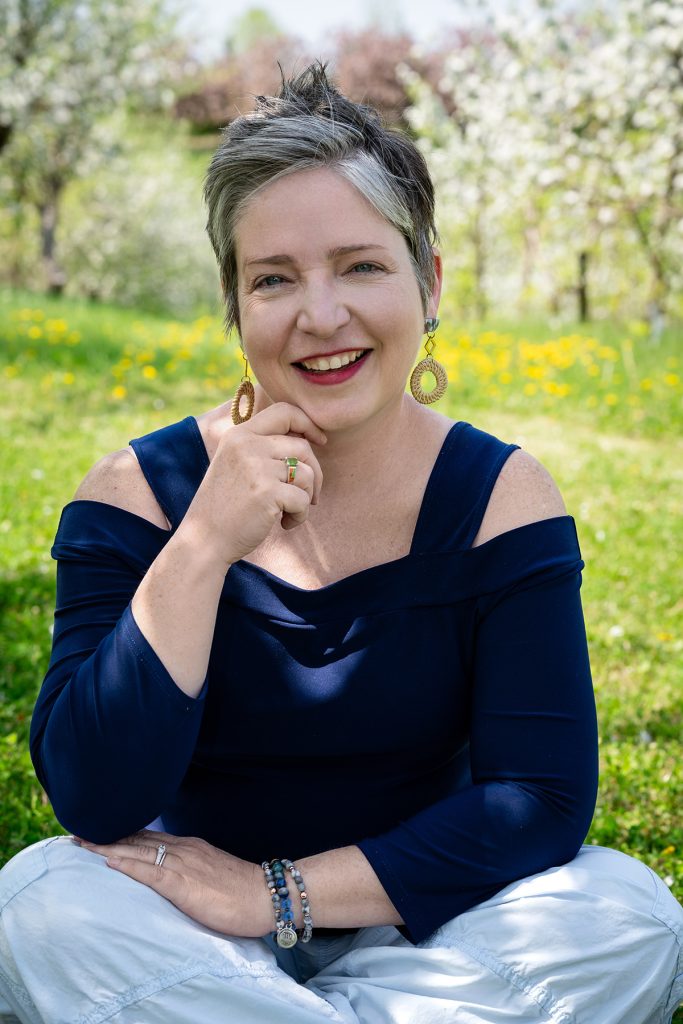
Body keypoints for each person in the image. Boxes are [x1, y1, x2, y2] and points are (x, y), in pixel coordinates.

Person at [0, 63, 681, 1024]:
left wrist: (274, 893)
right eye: (274, 279)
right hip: (189, 931)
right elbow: (93, 796)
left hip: (423, 921)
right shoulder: (135, 494)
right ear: (235, 305)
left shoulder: (500, 498)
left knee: (629, 913)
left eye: (361, 266)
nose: (321, 317)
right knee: (35, 902)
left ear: (428, 281)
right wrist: (202, 544)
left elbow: (538, 798)